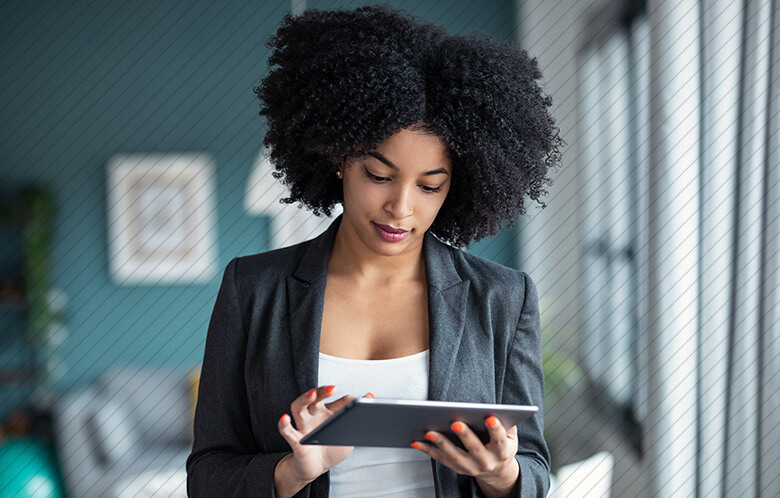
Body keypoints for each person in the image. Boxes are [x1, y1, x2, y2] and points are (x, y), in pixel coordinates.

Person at [187, 5, 561, 498]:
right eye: (379, 176)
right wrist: (292, 471)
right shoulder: (254, 288)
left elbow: (533, 469)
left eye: (429, 186)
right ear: (341, 157)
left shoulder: (502, 298)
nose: (399, 208)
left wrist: (500, 474)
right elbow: (207, 476)